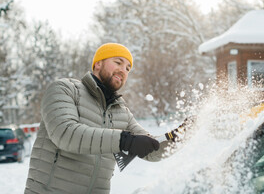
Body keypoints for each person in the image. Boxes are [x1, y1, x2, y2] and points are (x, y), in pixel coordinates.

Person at [25, 43, 193, 194]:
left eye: (128, 68)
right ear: (98, 63)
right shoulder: (65, 89)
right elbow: (65, 134)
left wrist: (182, 133)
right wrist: (125, 140)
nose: (123, 70)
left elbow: (151, 149)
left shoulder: (122, 112)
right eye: (118, 62)